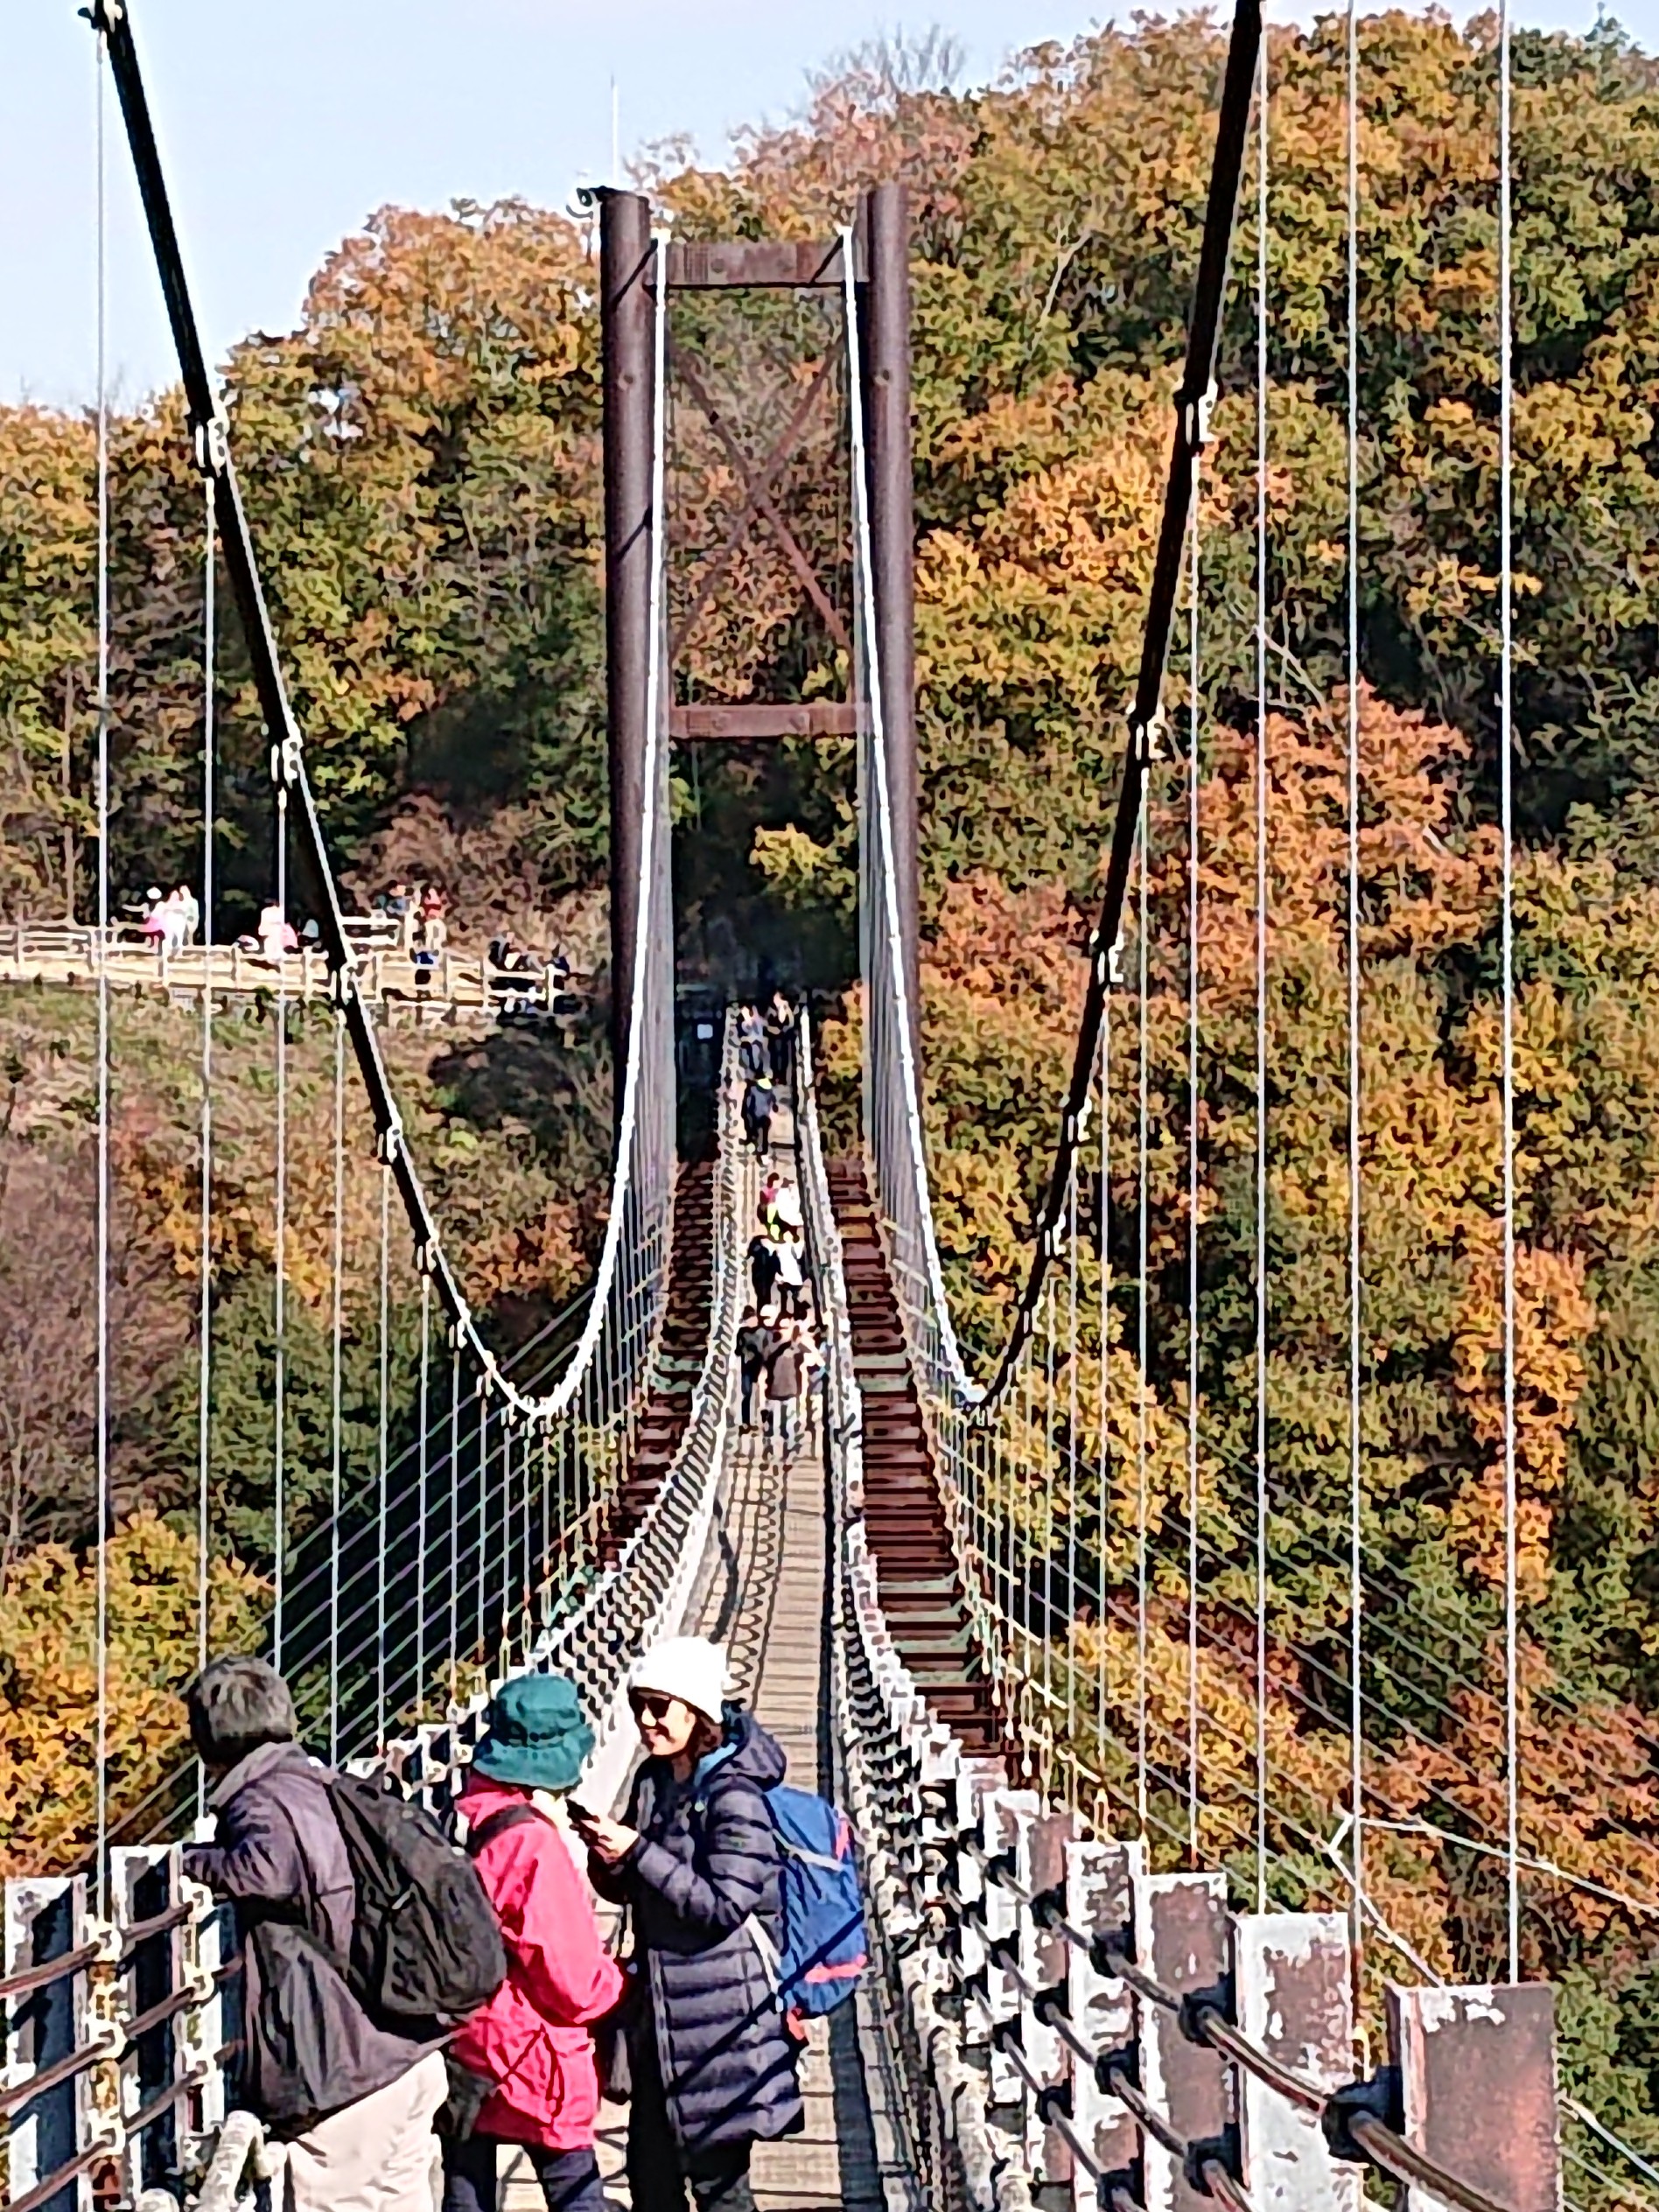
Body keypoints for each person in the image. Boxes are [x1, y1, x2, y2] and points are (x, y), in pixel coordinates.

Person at [181, 1656, 448, 2212]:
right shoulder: (323, 1782)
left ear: (208, 1741)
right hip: (405, 2052)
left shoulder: (260, 1797)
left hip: (346, 2078)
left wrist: (191, 1863)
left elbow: (267, 1869)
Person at [577, 1638, 802, 2212]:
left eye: (660, 1707)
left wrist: (637, 1852)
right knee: (649, 2179)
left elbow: (724, 1906)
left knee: (719, 2189)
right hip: (660, 2016)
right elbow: (636, 1889)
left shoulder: (736, 1796)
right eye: (639, 1707)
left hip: (722, 2018)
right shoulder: (653, 1780)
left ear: (696, 1710)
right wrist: (609, 1857)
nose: (646, 1721)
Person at [442, 1675, 623, 2212]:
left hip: (461, 2042)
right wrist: (620, 1981)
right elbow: (574, 1983)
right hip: (530, 2053)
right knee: (574, 2187)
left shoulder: (460, 1816)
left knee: (465, 2187)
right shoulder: (532, 1845)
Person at [764, 1319, 803, 1455]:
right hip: (778, 1392)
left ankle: (784, 1448)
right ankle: (779, 1448)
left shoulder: (787, 1350)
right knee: (778, 1423)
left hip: (785, 1391)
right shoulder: (776, 1350)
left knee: (786, 1423)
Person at [736, 1306, 777, 1432]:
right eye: (748, 1319)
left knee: (759, 1395)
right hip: (747, 1368)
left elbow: (768, 1349)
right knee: (747, 1393)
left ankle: (758, 1421)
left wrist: (764, 1360)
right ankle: (746, 1422)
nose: (751, 1321)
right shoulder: (742, 1332)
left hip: (760, 1367)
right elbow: (737, 1350)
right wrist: (745, 1352)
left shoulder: (763, 1332)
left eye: (752, 1318)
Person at [772, 1229, 806, 1322]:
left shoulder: (779, 1247)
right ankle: (791, 1312)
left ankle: (788, 1312)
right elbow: (797, 1257)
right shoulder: (787, 1247)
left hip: (789, 1276)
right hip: (790, 1277)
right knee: (790, 1294)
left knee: (786, 1294)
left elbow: (797, 1258)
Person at [764, 991, 794, 1088]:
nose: (775, 1000)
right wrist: (771, 1029)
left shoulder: (786, 1008)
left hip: (783, 1037)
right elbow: (766, 1023)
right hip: (773, 1037)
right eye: (774, 998)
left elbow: (791, 1022)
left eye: (776, 998)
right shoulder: (771, 1010)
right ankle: (775, 1076)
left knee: (783, 1057)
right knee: (774, 1057)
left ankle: (782, 1077)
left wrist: (783, 1030)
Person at [746, 1231, 781, 1313]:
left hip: (764, 1274)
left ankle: (763, 1310)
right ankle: (762, 1310)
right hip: (761, 1274)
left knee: (763, 1293)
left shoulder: (764, 1250)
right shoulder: (762, 1249)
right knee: (762, 1293)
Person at [741, 1074, 774, 1158]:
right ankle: (757, 1144)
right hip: (759, 1116)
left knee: (756, 1130)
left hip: (759, 1116)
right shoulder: (765, 1092)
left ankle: (757, 1145)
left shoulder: (755, 1091)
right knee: (759, 1131)